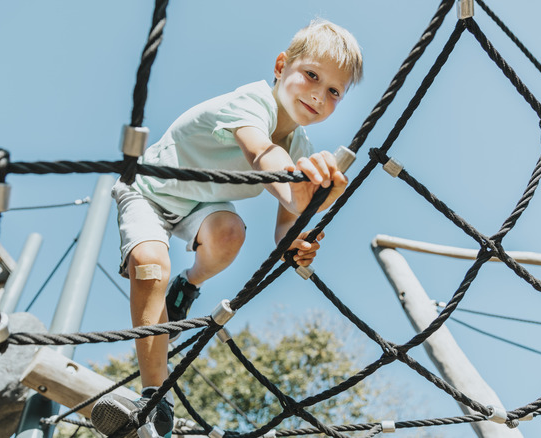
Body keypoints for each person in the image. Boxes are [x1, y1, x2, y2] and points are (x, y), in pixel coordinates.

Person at [91, 18, 363, 438]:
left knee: (231, 234)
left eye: (333, 91)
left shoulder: (302, 148)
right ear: (280, 66)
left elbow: (286, 229)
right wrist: (301, 189)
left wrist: (300, 241)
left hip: (201, 204)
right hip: (149, 189)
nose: (318, 93)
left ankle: (187, 286)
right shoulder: (251, 102)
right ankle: (152, 396)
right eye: (312, 75)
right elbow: (259, 153)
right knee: (149, 264)